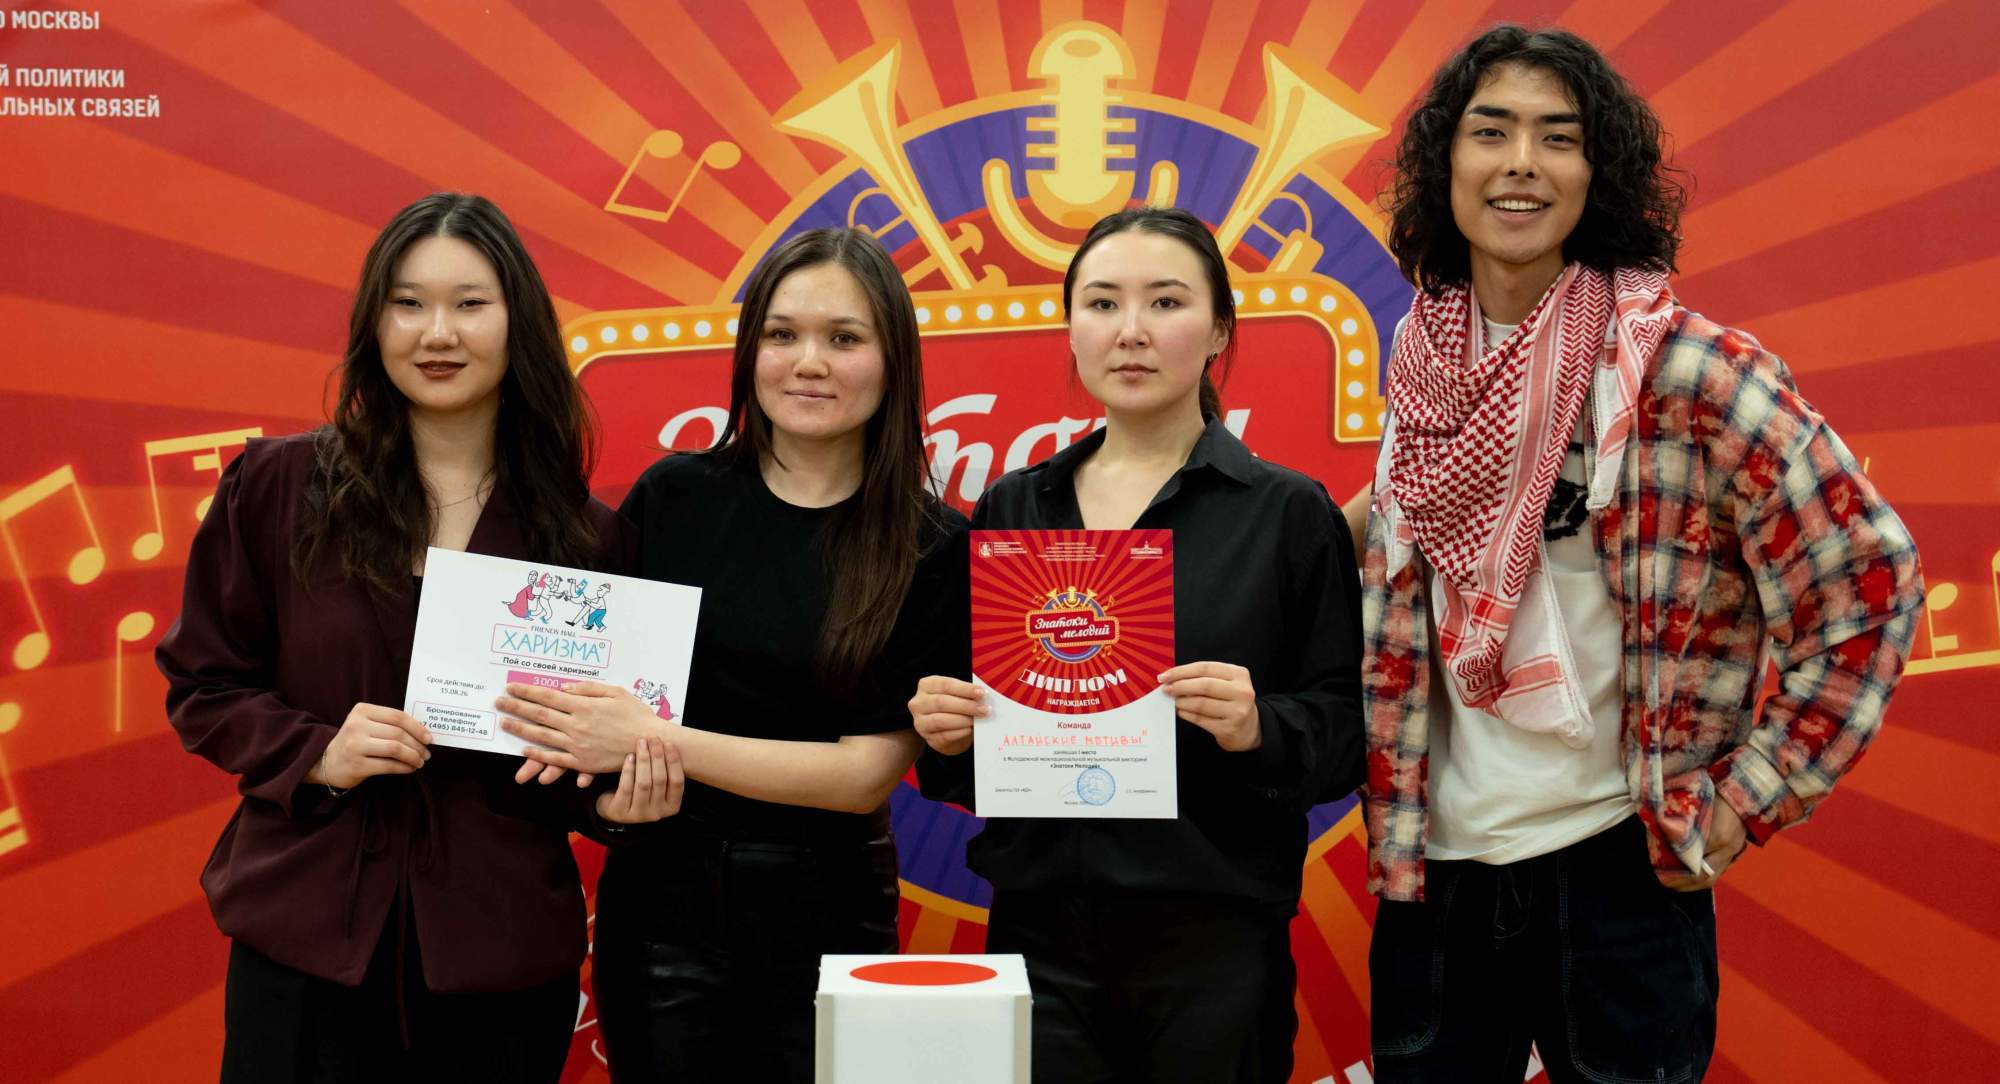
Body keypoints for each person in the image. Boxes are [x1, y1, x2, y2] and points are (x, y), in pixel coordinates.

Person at [1360, 26, 1923, 1082]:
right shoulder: (1425, 369)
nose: (1521, 162)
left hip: (1618, 874)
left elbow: (1868, 585)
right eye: (1491, 131)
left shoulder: (1684, 369)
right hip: (1433, 876)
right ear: (1446, 163)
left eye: (1557, 137)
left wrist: (1747, 794)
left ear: (1597, 175)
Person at [156, 192, 682, 1084]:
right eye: (409, 304)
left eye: (470, 304)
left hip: (499, 960)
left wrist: (615, 805)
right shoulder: (276, 488)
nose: (438, 333)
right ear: (374, 323)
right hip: (305, 944)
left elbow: (582, 757)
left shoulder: (586, 540)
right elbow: (204, 684)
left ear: (518, 323)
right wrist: (319, 753)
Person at [493, 227, 969, 1081]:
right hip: (662, 910)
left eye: (844, 338)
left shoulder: (932, 542)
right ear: (750, 353)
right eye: (782, 335)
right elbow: (586, 684)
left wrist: (655, 740)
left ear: (894, 360)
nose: (809, 362)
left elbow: (861, 775)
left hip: (831, 912)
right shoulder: (675, 497)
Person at [906, 207, 1365, 1083]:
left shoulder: (1286, 513)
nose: (1131, 331)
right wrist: (950, 730)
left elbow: (1346, 732)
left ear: (1220, 329)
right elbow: (972, 754)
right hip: (1041, 935)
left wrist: (1258, 725)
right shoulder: (1015, 507)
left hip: (1215, 941)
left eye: (1165, 302)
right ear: (1071, 327)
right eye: (1103, 303)